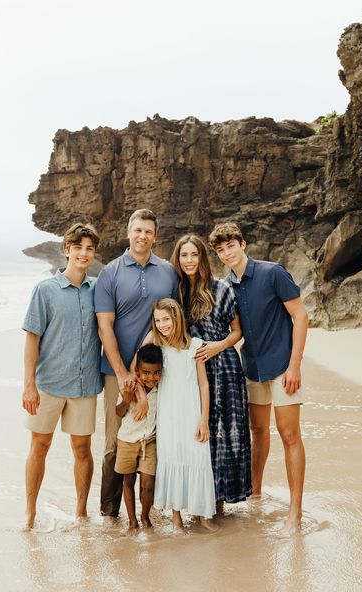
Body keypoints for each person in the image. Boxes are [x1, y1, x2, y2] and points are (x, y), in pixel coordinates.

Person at [209, 222, 307, 536]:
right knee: (258, 431)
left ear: (243, 243)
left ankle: (295, 512)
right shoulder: (226, 287)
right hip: (251, 368)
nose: (227, 253)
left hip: (282, 366)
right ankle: (256, 491)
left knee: (289, 433)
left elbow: (301, 316)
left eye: (231, 246)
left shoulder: (272, 273)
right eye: (221, 250)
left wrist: (295, 364)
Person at [95, 209, 178, 521]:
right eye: (137, 230)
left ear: (155, 236)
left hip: (160, 372)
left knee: (159, 437)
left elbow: (173, 320)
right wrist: (122, 373)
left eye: (148, 231)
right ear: (128, 232)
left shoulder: (168, 272)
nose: (142, 236)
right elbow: (105, 326)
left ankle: (150, 509)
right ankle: (109, 513)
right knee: (115, 443)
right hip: (116, 371)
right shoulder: (110, 273)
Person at [21, 223, 103, 529]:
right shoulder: (45, 291)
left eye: (89, 249)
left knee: (82, 449)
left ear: (94, 253)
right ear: (66, 250)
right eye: (78, 247)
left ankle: (80, 513)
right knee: (39, 446)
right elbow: (32, 339)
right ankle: (30, 513)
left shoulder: (99, 290)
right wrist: (29, 385)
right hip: (49, 384)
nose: (83, 254)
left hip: (85, 385)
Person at [171, 234, 252, 514]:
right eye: (184, 255)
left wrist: (218, 346)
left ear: (202, 258)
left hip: (226, 369)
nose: (189, 260)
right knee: (195, 434)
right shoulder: (176, 293)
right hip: (192, 373)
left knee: (225, 436)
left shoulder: (222, 288)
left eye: (194, 255)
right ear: (178, 260)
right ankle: (195, 500)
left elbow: (237, 331)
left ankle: (217, 504)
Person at [141, 298, 218, 532]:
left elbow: (204, 384)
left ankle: (203, 515)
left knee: (198, 457)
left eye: (166, 319)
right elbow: (139, 359)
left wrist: (204, 419)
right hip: (169, 414)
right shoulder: (157, 346)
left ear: (177, 319)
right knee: (171, 457)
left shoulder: (195, 345)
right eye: (157, 320)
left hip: (192, 411)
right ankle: (176, 519)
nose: (162, 324)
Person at [114, 344, 163, 532]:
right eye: (146, 373)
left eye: (156, 373)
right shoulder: (130, 387)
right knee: (128, 481)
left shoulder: (161, 390)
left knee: (148, 483)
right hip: (127, 440)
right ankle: (132, 520)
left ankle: (145, 517)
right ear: (137, 371)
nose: (151, 378)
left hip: (149, 441)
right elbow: (118, 412)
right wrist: (127, 399)